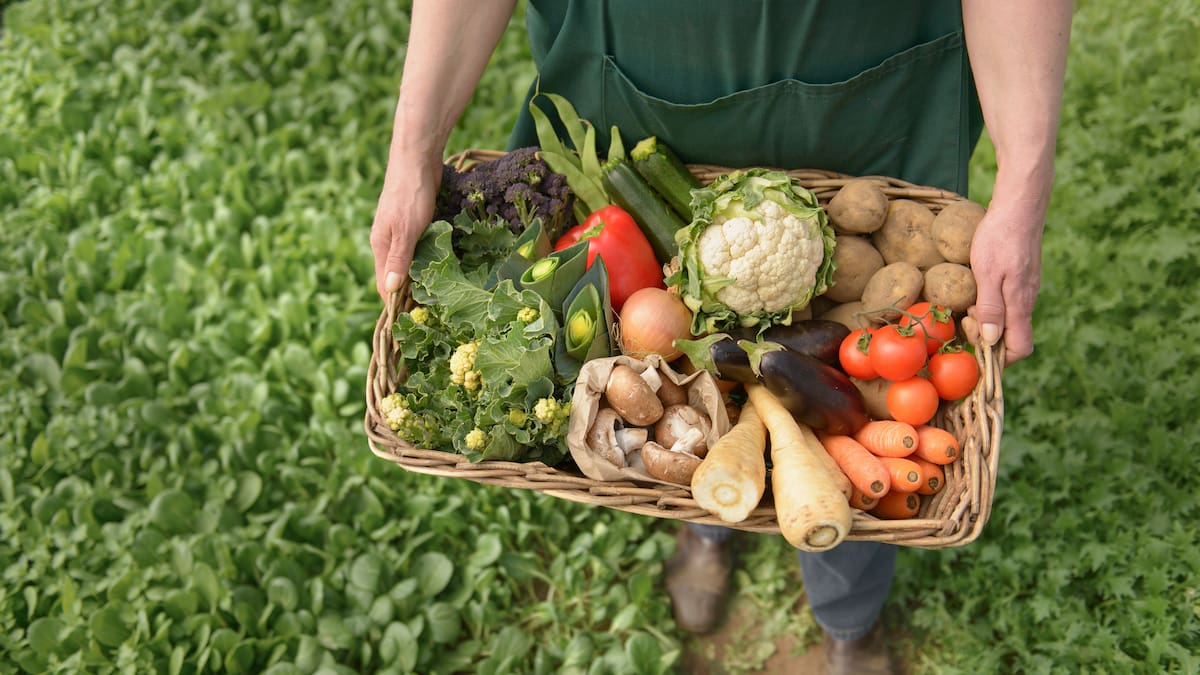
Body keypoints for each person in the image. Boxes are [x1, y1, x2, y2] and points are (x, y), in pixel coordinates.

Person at [370, 2, 1072, 672]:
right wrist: (411, 151)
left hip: (867, 96)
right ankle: (707, 515)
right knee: (699, 401)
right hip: (638, 90)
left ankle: (848, 615)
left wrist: (1024, 187)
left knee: (860, 429)